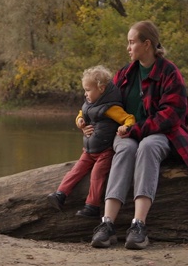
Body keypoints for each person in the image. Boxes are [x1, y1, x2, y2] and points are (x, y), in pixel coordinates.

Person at [87, 20, 188, 249]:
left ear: (147, 44)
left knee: (147, 146)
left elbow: (171, 115)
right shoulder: (124, 75)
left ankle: (138, 225)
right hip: (129, 135)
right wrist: (86, 121)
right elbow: (101, 103)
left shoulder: (169, 72)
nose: (128, 47)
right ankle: (107, 224)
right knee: (126, 147)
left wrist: (136, 130)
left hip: (163, 134)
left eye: (132, 42)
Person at [47, 65, 136, 218]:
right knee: (76, 170)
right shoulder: (90, 103)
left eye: (88, 90)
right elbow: (81, 113)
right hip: (88, 150)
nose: (85, 93)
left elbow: (129, 118)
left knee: (96, 175)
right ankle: (60, 194)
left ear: (101, 89)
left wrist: (125, 128)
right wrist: (80, 121)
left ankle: (92, 205)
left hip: (104, 152)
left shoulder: (111, 107)